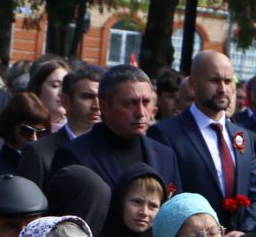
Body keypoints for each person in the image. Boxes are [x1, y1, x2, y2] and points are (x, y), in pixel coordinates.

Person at [147, 51, 256, 218]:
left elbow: (255, 194)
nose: (223, 89)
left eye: (228, 81)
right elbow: (165, 196)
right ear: (193, 83)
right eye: (214, 80)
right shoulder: (166, 133)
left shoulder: (244, 136)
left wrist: (244, 232)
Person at [56, 64, 181, 194]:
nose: (141, 113)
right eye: (130, 103)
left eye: (146, 102)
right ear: (104, 106)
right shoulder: (75, 155)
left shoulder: (166, 156)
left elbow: (174, 205)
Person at [12, 60, 98, 185]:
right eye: (56, 85)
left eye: (100, 97)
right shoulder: (38, 151)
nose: (97, 105)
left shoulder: (110, 147)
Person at [0, 91, 51, 179]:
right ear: (10, 126)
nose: (34, 138)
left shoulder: (49, 166)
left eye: (41, 133)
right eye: (27, 131)